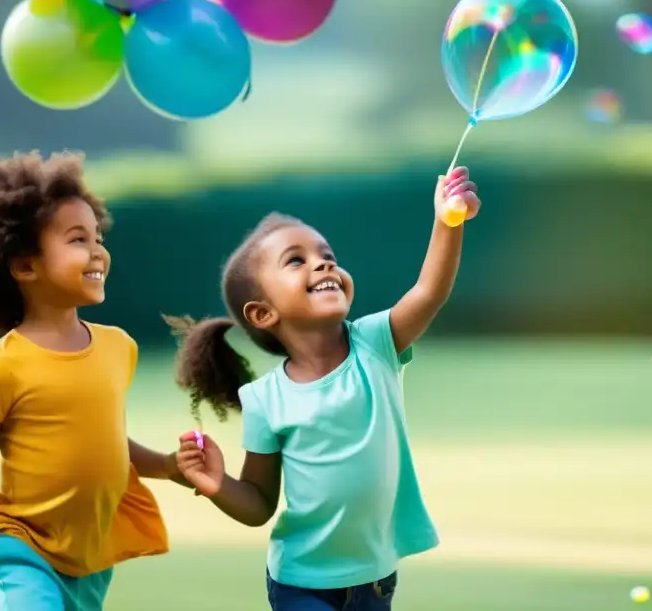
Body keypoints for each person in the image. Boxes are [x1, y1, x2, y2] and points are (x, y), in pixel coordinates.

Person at [170, 166, 480, 611]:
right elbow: (258, 504)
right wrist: (217, 483)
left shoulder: (376, 344)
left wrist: (447, 221)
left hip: (375, 581)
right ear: (262, 314)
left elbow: (429, 291)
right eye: (296, 260)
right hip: (301, 584)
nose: (324, 262)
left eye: (327, 253)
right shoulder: (265, 400)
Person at [0, 152, 188, 611]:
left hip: (90, 559)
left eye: (98, 237)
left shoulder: (117, 348)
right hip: (22, 548)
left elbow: (104, 441)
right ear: (24, 266)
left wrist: (168, 465)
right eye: (77, 239)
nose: (98, 251)